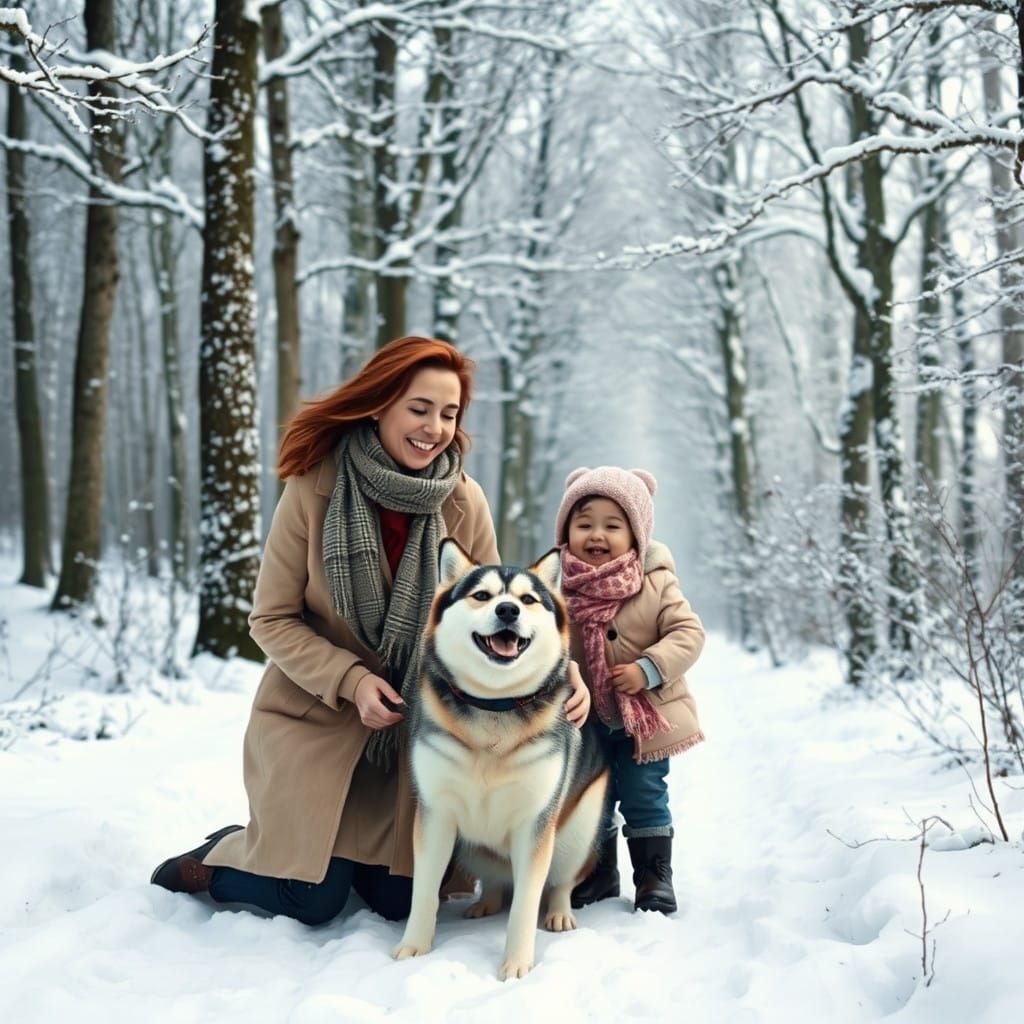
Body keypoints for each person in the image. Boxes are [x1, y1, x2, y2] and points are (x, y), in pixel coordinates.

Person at [151, 337, 590, 925]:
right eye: (419, 408)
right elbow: (270, 618)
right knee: (310, 901)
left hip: (412, 733)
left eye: (449, 414)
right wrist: (352, 680)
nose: (434, 428)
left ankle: (338, 857)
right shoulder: (313, 485)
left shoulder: (464, 501)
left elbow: (494, 615)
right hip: (317, 722)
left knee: (403, 902)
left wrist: (562, 672)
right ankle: (216, 859)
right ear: (380, 405)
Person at [554, 466, 705, 915]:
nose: (597, 535)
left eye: (612, 526)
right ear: (566, 531)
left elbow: (688, 633)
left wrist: (648, 669)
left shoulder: (655, 580)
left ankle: (654, 875)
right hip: (583, 720)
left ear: (636, 534)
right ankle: (597, 871)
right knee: (591, 795)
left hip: (645, 717)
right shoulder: (555, 586)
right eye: (584, 524)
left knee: (645, 795)